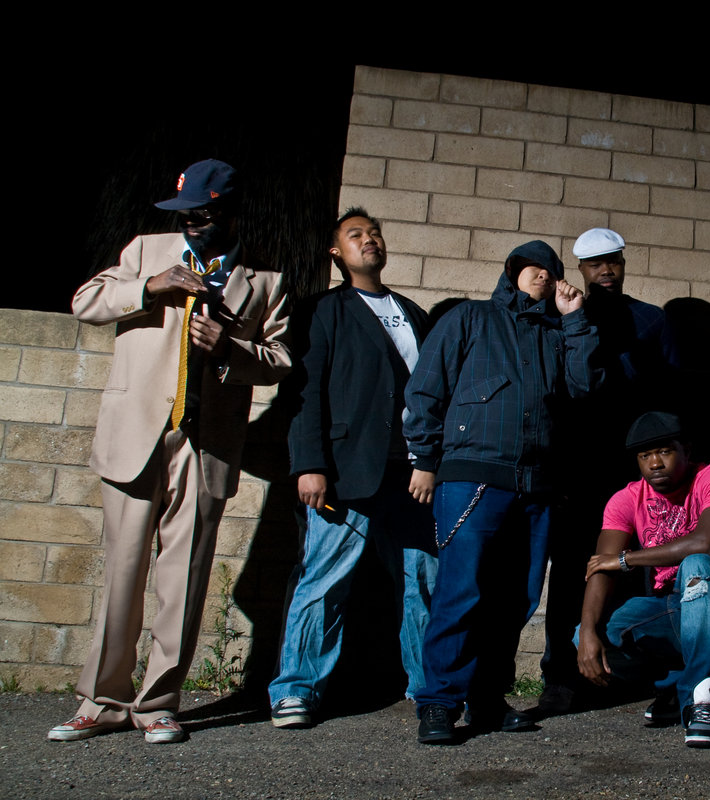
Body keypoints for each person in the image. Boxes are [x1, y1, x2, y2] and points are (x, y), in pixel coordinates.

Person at [50, 159, 291, 743]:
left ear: (229, 214)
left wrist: (231, 348)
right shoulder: (145, 251)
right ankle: (101, 700)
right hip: (137, 435)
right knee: (123, 572)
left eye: (201, 215)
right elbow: (86, 301)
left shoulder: (265, 281)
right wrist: (149, 287)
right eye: (183, 214)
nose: (189, 224)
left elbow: (280, 360)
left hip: (207, 447)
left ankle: (157, 703)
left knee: (183, 581)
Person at [404, 240, 600, 744]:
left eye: (550, 271)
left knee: (517, 597)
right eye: (532, 268)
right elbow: (426, 387)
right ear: (512, 272)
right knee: (461, 590)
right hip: (472, 475)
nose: (542, 275)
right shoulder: (471, 318)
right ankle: (439, 703)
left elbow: (583, 389)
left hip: (535, 485)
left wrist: (575, 320)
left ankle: (487, 699)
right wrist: (424, 459)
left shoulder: (558, 332)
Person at [268, 208, 437, 728]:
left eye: (375, 233)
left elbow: (432, 392)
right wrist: (310, 464)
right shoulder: (323, 310)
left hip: (409, 474)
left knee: (422, 580)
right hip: (347, 472)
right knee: (324, 580)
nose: (370, 240)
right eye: (356, 235)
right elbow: (305, 391)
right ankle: (295, 690)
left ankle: (430, 687)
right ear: (336, 253)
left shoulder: (412, 312)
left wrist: (431, 460)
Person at [539, 227, 678, 715]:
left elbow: (670, 398)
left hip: (636, 470)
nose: (605, 271)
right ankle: (561, 675)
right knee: (572, 570)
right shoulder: (564, 315)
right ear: (580, 268)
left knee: (640, 571)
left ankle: (631, 674)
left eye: (613, 261)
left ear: (623, 263)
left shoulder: (651, 319)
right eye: (595, 263)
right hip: (578, 469)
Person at [576, 412, 710, 748]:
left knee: (697, 565)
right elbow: (601, 566)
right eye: (645, 456)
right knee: (590, 635)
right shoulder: (627, 499)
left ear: (686, 450)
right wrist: (587, 632)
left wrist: (626, 559)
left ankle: (706, 700)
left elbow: (704, 543)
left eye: (664, 452)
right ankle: (677, 686)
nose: (655, 463)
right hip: (670, 611)